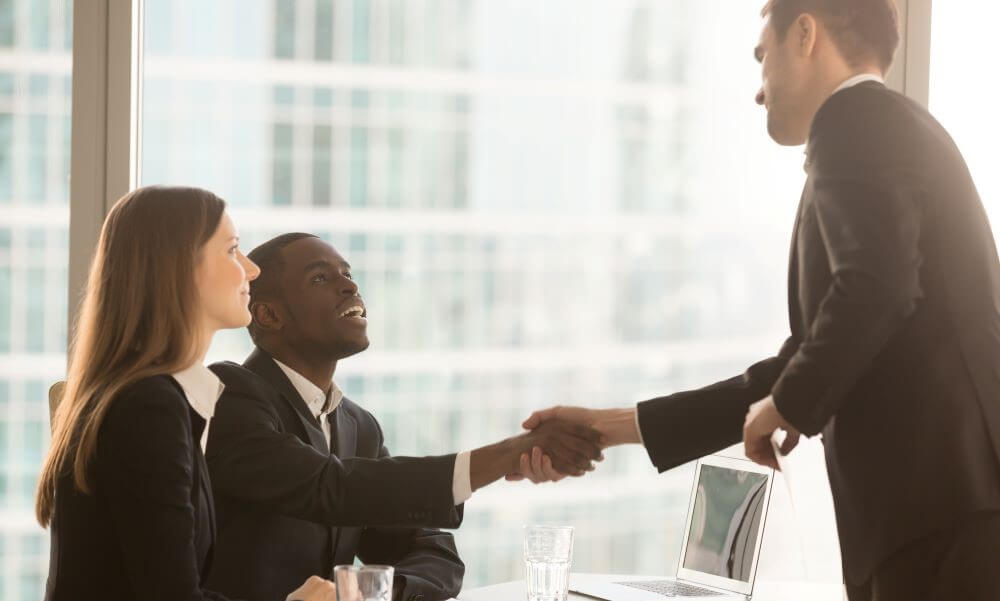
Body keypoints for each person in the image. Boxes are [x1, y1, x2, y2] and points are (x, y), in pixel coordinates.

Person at [521, 1, 1000, 599]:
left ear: (805, 35)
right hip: (944, 516)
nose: (758, 91)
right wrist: (611, 426)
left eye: (761, 57)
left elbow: (876, 289)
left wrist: (793, 403)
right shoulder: (891, 129)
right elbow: (800, 362)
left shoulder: (856, 124)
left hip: (937, 523)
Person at [205, 233, 604, 601]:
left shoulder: (358, 426)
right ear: (269, 315)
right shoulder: (229, 394)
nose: (349, 286)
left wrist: (372, 592)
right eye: (320, 279)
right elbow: (331, 487)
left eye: (348, 274)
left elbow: (435, 552)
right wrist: (505, 455)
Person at [35, 187, 336, 601]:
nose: (251, 270)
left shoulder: (144, 396)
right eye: (232, 251)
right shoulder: (148, 407)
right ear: (179, 270)